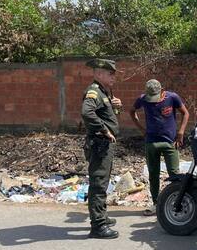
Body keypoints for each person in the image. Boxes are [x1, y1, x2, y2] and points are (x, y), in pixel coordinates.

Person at [130, 79, 189, 215]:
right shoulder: (143, 99)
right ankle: (156, 203)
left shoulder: (172, 97)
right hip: (151, 143)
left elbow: (185, 113)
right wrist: (141, 129)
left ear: (162, 91)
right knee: (153, 174)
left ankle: (176, 201)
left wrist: (181, 132)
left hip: (170, 143)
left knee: (174, 174)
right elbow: (132, 112)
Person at [81, 58, 122, 239]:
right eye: (110, 73)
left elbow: (103, 113)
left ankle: (102, 216)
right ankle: (98, 226)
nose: (113, 77)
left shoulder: (104, 92)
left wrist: (114, 107)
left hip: (104, 145)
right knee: (98, 183)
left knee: (103, 182)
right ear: (98, 74)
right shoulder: (94, 92)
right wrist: (104, 130)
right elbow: (87, 112)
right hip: (99, 144)